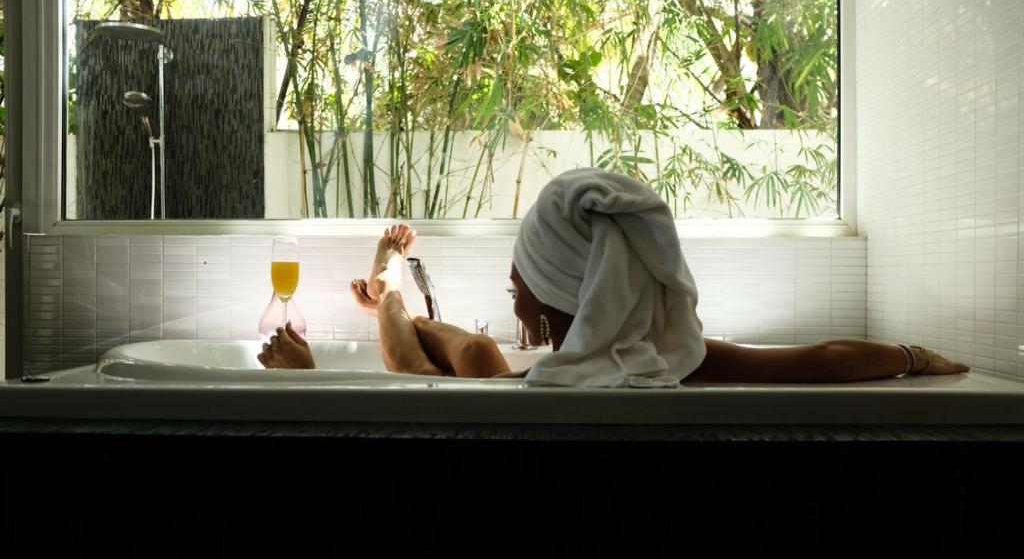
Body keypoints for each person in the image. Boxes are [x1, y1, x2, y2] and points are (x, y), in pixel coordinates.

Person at [258, 169, 969, 384]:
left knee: (469, 353)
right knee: (470, 351)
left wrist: (312, 377)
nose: (515, 303)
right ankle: (393, 295)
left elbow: (411, 368)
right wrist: (911, 357)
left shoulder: (542, 386)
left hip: (437, 346)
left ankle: (390, 291)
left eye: (517, 288)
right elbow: (822, 361)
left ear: (559, 295)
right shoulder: (674, 361)